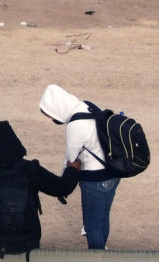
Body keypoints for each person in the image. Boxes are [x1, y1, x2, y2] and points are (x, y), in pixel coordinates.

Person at [0, 121, 80, 254]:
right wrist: (73, 169)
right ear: (17, 144)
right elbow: (62, 188)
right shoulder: (30, 169)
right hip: (27, 241)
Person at [39, 84, 118, 250]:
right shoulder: (89, 105)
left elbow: (71, 159)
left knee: (92, 226)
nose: (53, 119)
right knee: (103, 218)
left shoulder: (75, 125)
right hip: (113, 173)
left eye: (51, 115)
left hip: (95, 180)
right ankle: (103, 251)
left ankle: (97, 260)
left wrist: (63, 184)